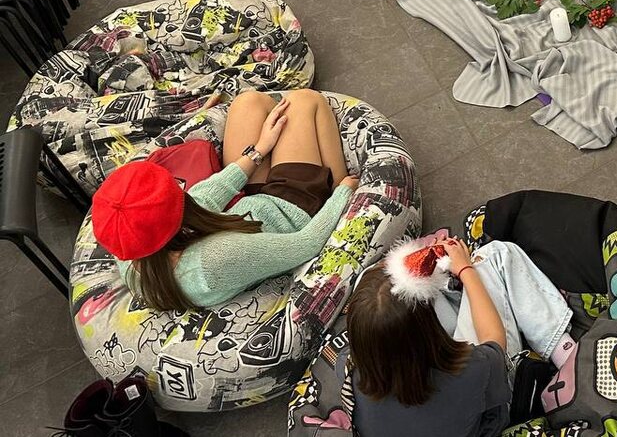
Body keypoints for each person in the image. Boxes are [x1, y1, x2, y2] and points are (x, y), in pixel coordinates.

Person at [91, 90, 359, 311]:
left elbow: (208, 195)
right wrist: (343, 193)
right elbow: (307, 244)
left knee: (248, 102)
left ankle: (287, 152)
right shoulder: (214, 261)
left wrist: (260, 150)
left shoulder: (132, 253)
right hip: (290, 210)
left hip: (246, 211)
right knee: (305, 100)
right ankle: (336, 179)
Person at [344, 236, 574, 437]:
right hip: (491, 396)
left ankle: (449, 287)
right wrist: (466, 270)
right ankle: (565, 354)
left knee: (378, 287)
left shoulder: (351, 374)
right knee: (494, 256)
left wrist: (422, 265)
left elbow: (388, 313)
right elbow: (494, 341)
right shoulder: (471, 370)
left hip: (439, 397)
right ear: (427, 330)